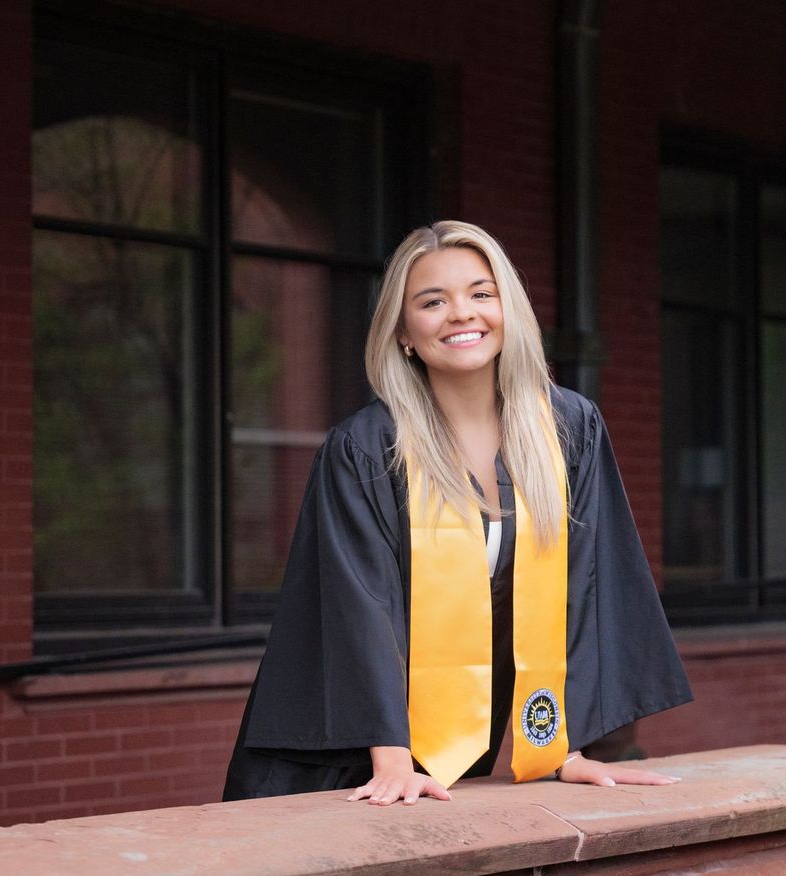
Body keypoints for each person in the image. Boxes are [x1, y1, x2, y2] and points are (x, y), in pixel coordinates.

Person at [223, 220, 693, 807]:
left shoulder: (568, 430)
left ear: (508, 309)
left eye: (480, 293)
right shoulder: (369, 450)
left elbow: (586, 587)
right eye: (432, 301)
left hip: (452, 760)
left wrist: (565, 748)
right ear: (402, 332)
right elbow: (359, 605)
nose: (461, 314)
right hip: (341, 757)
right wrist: (391, 757)